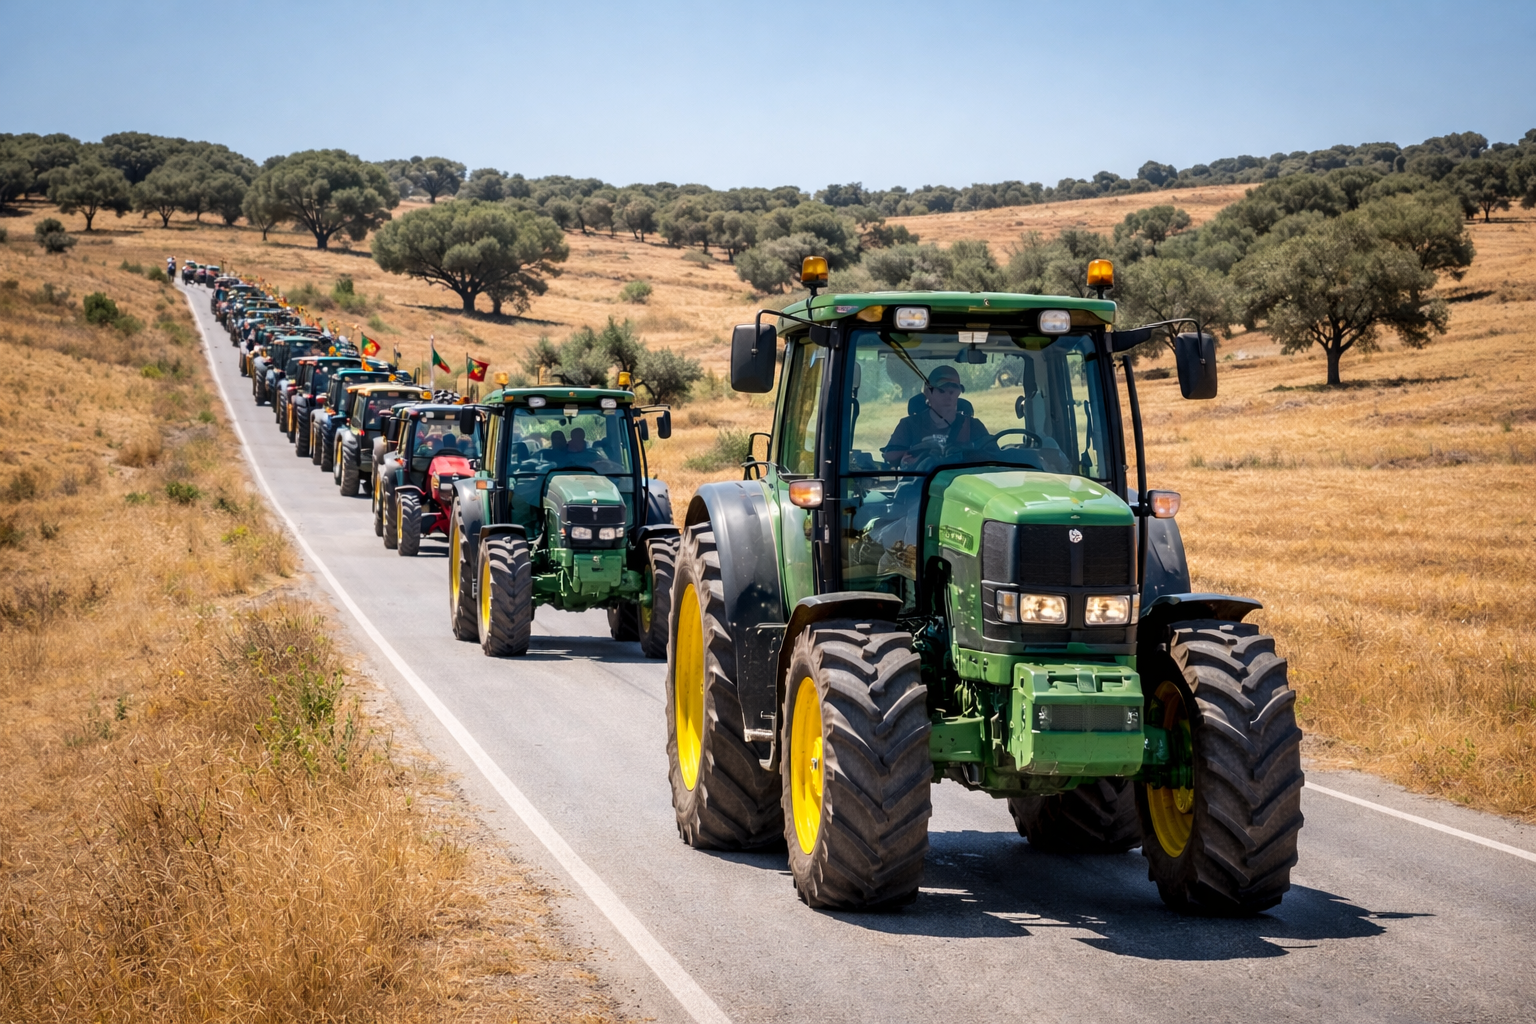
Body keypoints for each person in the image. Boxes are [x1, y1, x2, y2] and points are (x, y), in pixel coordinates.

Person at [881, 365, 997, 469]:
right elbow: (890, 455)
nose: (949, 394)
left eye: (954, 389)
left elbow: (994, 457)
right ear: (928, 392)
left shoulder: (973, 426)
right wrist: (911, 458)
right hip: (919, 485)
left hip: (963, 488)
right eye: (942, 390)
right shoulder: (909, 425)